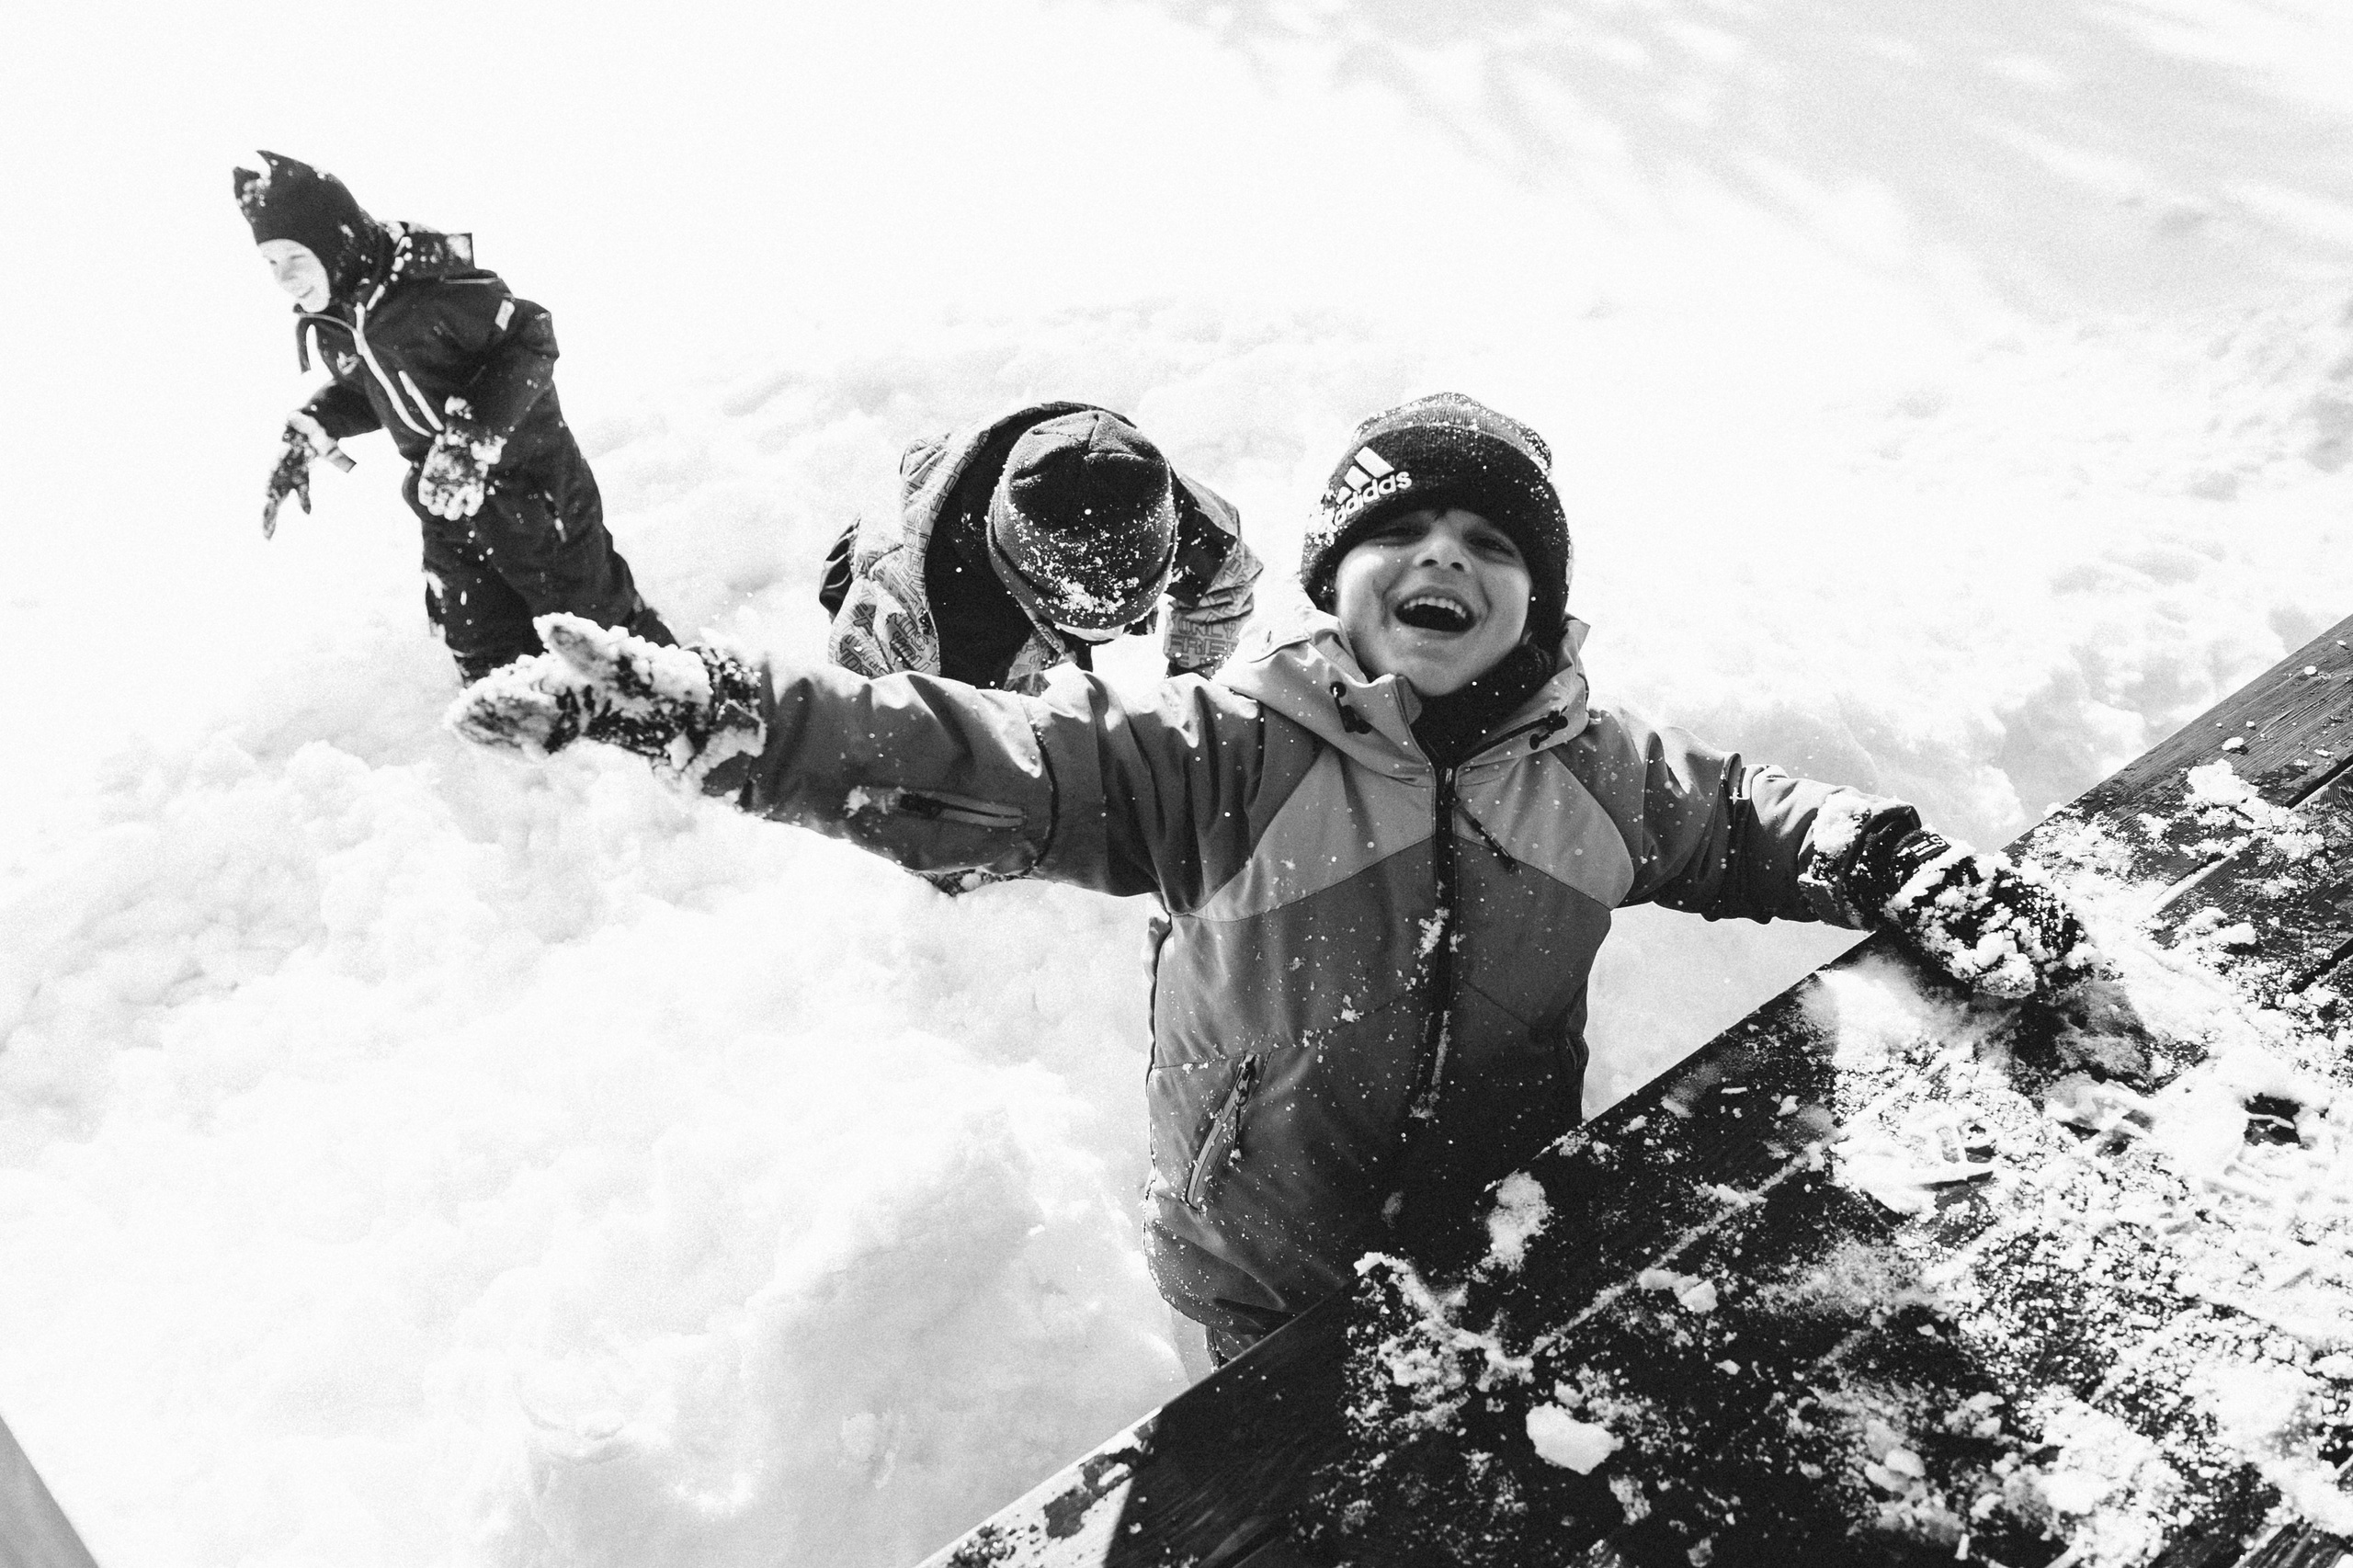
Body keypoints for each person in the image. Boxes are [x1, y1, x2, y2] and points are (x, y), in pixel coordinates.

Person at [448, 392, 2097, 1367]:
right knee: (1281, 1480)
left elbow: (1746, 819)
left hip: (1497, 1218)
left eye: (1495, 546)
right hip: (1259, 1251)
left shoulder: (1594, 778)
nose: (1447, 560)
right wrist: (734, 717)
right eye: (1406, 537)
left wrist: (1887, 857)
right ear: (1338, 586)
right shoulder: (1226, 756)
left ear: (1543, 609)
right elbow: (988, 761)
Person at [234, 151, 675, 681]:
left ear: (336, 242)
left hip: (531, 483)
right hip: (444, 496)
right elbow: (370, 388)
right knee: (476, 632)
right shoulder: (337, 315)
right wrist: (316, 423)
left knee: (594, 623)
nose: (283, 277)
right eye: (270, 263)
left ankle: (688, 702)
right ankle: (523, 726)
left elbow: (531, 337)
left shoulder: (433, 291)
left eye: (294, 258)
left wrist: (471, 439)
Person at [819, 402, 1261, 692]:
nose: (1123, 631)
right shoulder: (920, 629)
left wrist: (1186, 688)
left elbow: (1225, 582)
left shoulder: (1137, 485)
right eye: (1091, 622)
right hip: (929, 597)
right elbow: (874, 749)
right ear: (1029, 592)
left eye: (1137, 609)